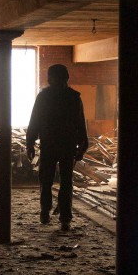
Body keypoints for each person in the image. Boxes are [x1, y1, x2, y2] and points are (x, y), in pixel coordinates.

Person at [26, 63, 89, 231]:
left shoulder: (49, 97)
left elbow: (80, 122)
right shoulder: (70, 97)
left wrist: (30, 142)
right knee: (53, 180)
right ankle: (54, 214)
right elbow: (35, 120)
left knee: (57, 180)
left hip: (58, 144)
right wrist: (30, 142)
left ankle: (58, 215)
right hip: (59, 143)